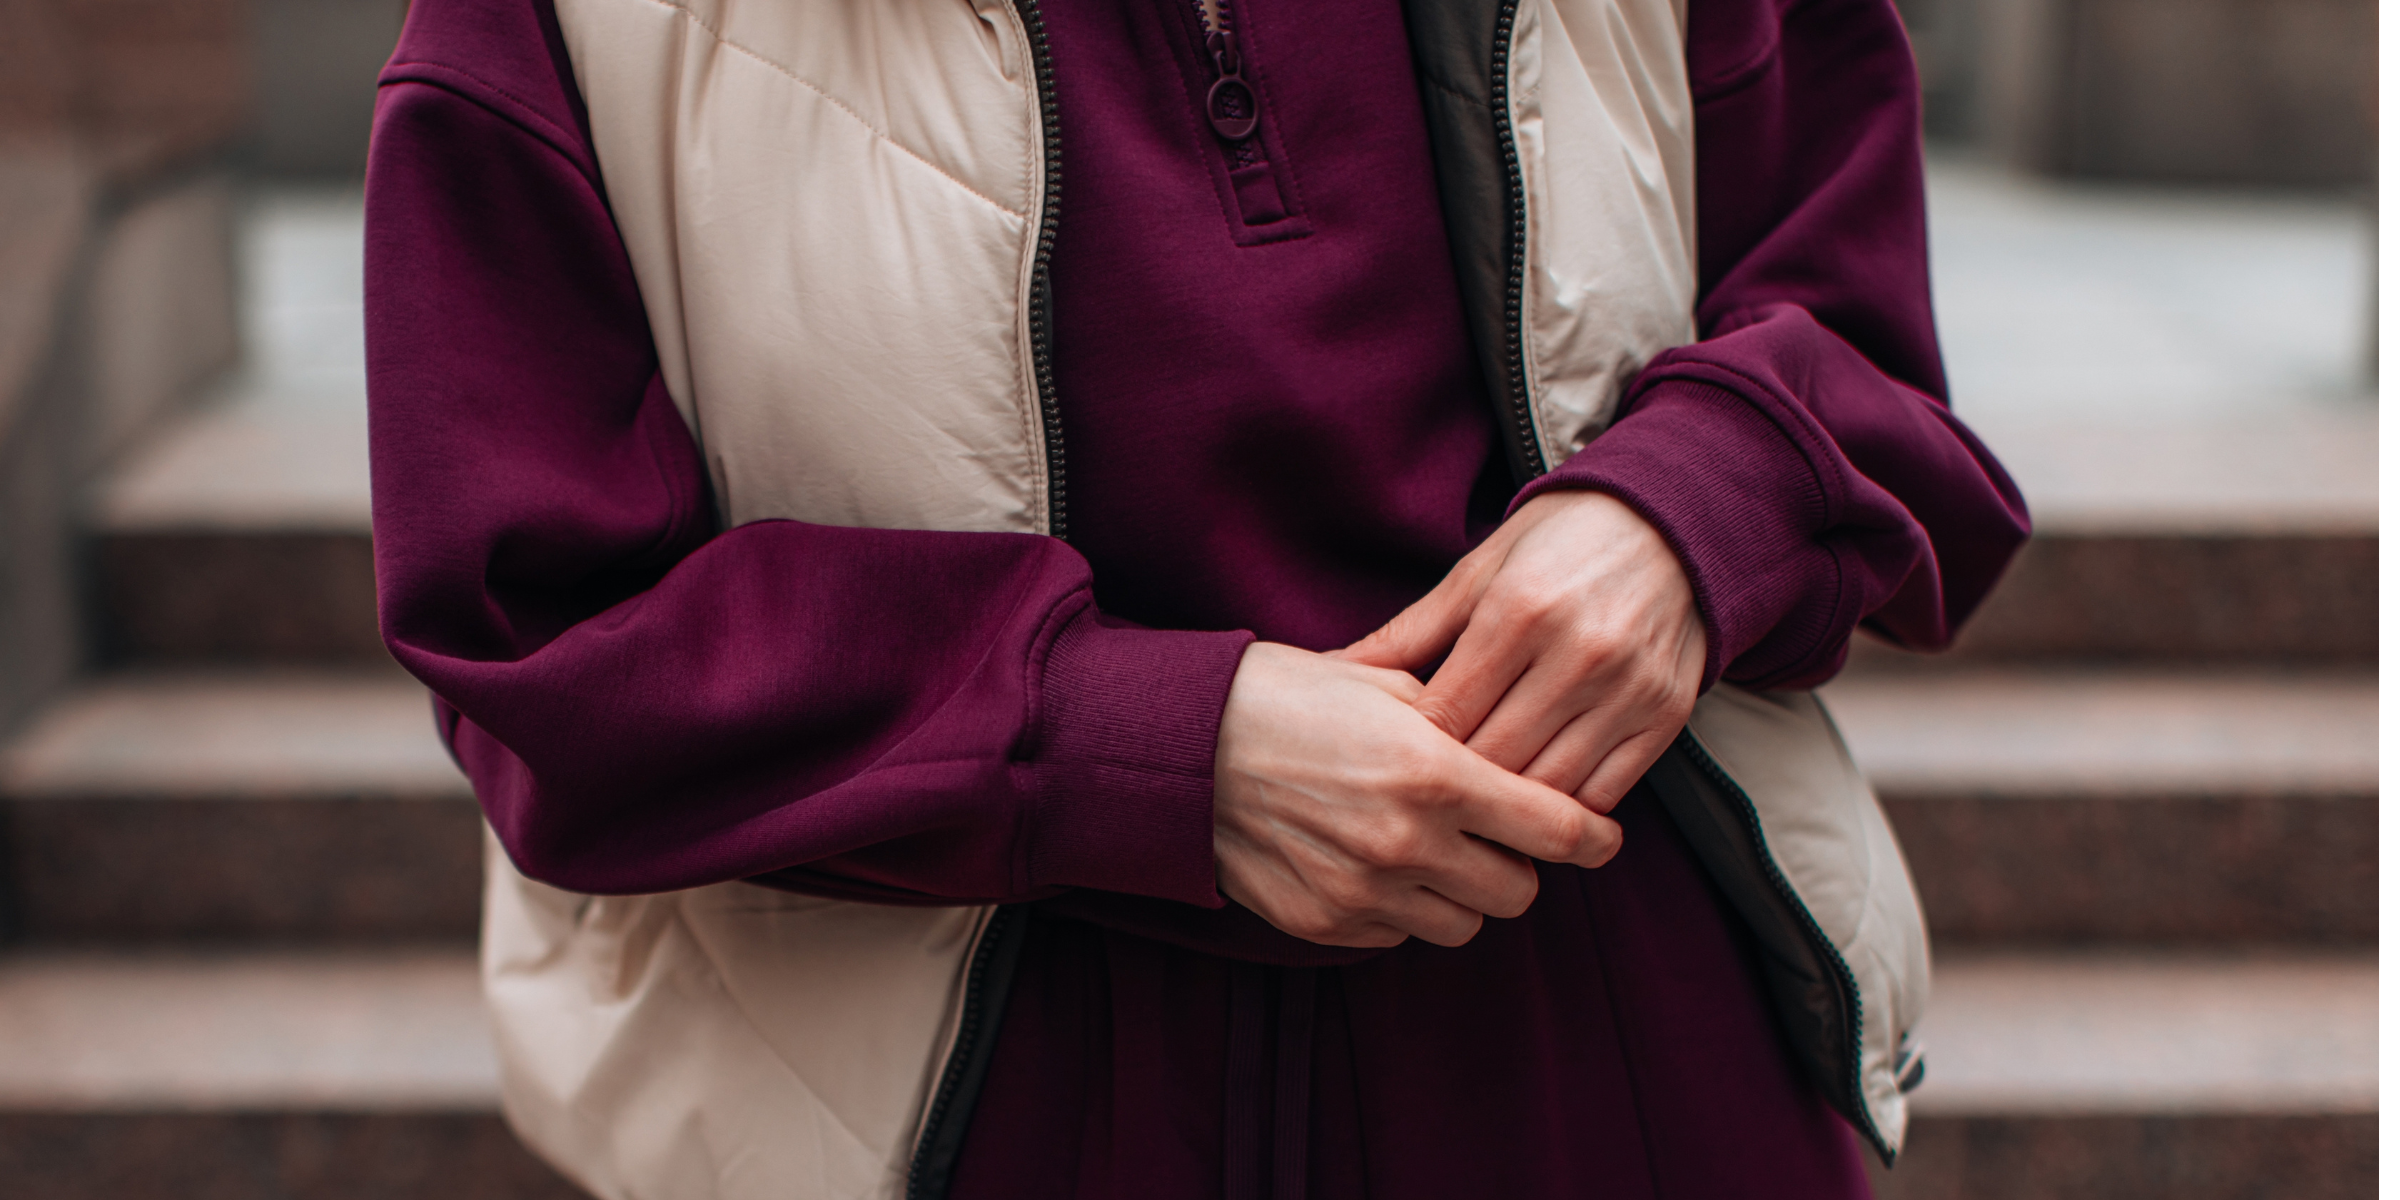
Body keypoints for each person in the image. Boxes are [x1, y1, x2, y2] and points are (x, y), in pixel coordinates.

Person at [364, 0, 2028, 1195]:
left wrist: (1688, 517)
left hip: (1614, 1034)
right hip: (992, 1088)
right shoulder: (553, 27)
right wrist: (1154, 750)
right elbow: (539, 630)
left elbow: (1861, 333)